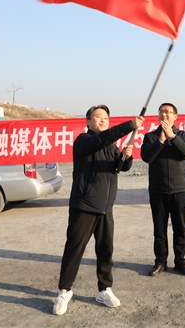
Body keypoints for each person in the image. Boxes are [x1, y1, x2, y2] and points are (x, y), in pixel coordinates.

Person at [53, 104, 144, 316]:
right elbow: (101, 140)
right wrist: (129, 126)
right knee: (74, 249)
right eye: (98, 116)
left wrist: (126, 157)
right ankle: (64, 291)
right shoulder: (84, 141)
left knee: (105, 250)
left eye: (106, 117)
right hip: (84, 206)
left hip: (106, 207)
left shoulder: (110, 146)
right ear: (88, 121)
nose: (103, 120)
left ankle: (104, 289)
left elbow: (118, 168)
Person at [140, 102, 185, 277]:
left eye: (168, 112)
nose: (164, 114)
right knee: (159, 229)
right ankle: (160, 262)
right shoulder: (150, 137)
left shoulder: (183, 135)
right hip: (158, 190)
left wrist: (172, 136)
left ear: (175, 116)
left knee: (179, 228)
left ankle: (180, 262)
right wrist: (161, 141)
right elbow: (146, 157)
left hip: (179, 189)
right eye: (161, 111)